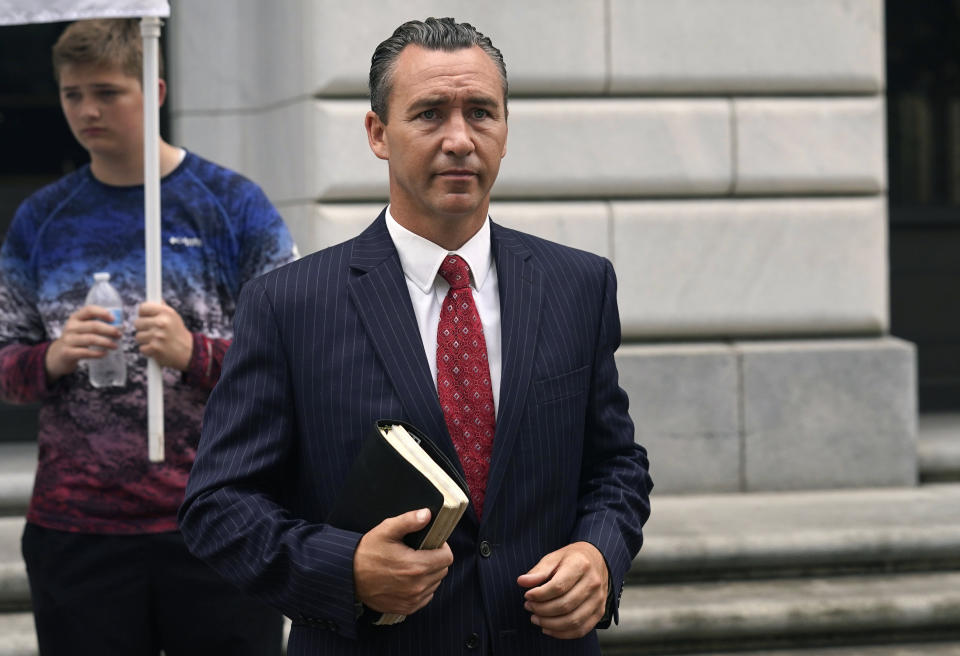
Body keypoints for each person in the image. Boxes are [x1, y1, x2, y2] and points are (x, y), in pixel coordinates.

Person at [179, 16, 652, 656]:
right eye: (429, 114)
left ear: (506, 131)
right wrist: (343, 569)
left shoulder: (579, 285)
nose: (460, 139)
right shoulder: (289, 302)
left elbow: (615, 464)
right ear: (378, 133)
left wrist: (600, 552)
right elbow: (218, 505)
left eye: (481, 112)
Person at [0, 18, 297, 655]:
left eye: (107, 92)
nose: (86, 110)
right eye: (72, 94)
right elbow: (5, 363)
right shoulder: (40, 220)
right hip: (79, 529)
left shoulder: (233, 206)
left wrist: (196, 354)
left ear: (155, 89)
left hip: (221, 516)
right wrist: (50, 357)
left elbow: (295, 360)